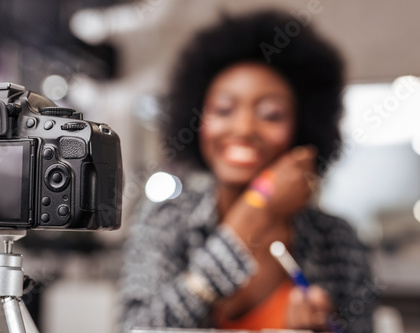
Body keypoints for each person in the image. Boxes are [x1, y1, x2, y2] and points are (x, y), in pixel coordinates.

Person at [119, 10, 373, 333]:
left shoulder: (337, 241)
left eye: (271, 114)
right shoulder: (164, 220)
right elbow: (138, 329)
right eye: (224, 110)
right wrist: (256, 210)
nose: (243, 128)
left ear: (303, 129)